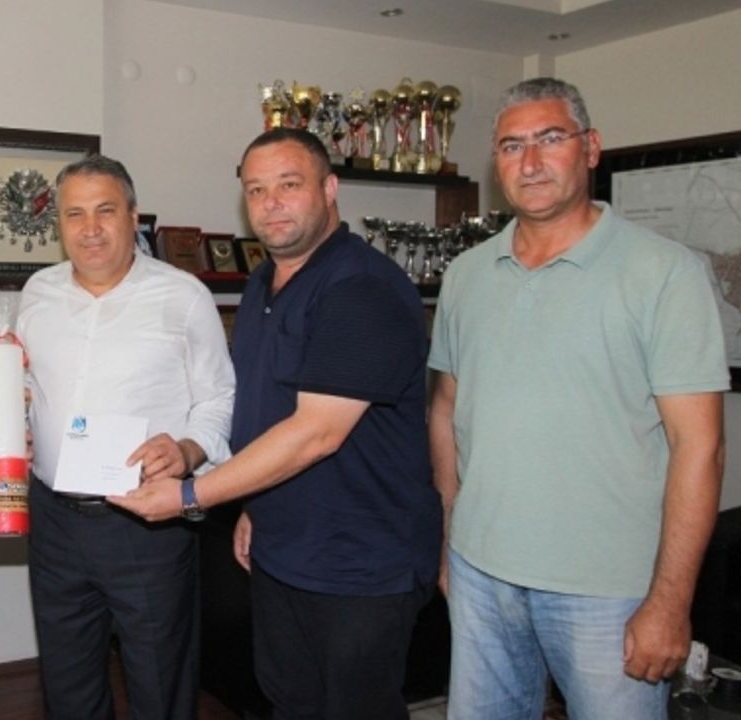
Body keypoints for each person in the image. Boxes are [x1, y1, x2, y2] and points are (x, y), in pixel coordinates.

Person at [112, 128, 440, 719]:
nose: (271, 203)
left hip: (361, 563)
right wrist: (255, 507)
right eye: (257, 190)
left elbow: (317, 432)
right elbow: (266, 410)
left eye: (289, 185)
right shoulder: (264, 281)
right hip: (284, 552)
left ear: (330, 188)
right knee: (290, 701)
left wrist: (190, 495)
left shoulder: (361, 287)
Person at [427, 77, 728, 719]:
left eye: (550, 139)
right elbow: (447, 409)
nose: (530, 162)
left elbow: (698, 447)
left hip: (610, 590)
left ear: (590, 148)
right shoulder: (466, 275)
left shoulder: (665, 273)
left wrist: (670, 602)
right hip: (481, 575)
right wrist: (451, 540)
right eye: (512, 146)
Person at [17, 154, 234, 719]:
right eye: (74, 214)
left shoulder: (183, 295)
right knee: (67, 681)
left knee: (160, 681)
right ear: (59, 224)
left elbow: (218, 398)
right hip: (54, 520)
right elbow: (29, 390)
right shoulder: (37, 293)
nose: (90, 228)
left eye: (105, 211)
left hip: (145, 521)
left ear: (134, 217)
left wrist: (186, 450)